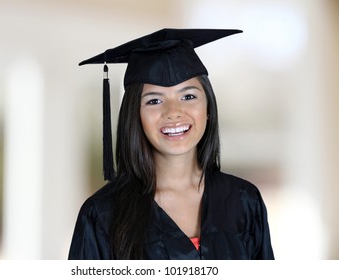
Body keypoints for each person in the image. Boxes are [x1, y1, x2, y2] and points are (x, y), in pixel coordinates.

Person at [68, 28, 274, 260]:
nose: (173, 112)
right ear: (135, 115)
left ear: (208, 108)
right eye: (154, 100)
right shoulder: (103, 215)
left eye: (188, 96)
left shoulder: (244, 201)